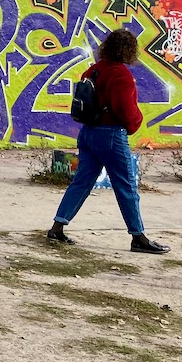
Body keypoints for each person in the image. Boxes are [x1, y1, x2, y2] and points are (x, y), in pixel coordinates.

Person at [47, 28, 169, 253]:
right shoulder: (121, 74)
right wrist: (135, 123)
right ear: (129, 50)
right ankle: (138, 238)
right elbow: (125, 109)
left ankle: (57, 227)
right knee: (126, 186)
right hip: (111, 134)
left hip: (88, 133)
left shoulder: (92, 70)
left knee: (82, 182)